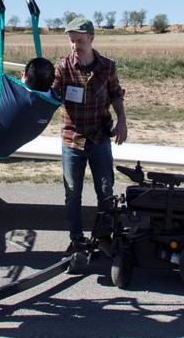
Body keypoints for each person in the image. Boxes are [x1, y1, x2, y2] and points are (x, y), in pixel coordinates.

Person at [51, 17, 127, 254]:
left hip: (99, 139)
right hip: (72, 141)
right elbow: (50, 95)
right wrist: (31, 86)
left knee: (105, 191)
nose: (76, 46)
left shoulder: (107, 66)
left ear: (91, 39)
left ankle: (104, 238)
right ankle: (76, 240)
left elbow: (116, 94)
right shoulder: (62, 68)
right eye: (72, 41)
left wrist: (122, 121)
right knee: (72, 193)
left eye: (80, 41)